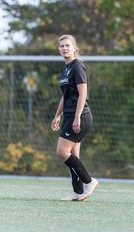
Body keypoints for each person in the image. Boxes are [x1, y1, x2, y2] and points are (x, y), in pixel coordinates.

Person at [51, 34, 99, 201]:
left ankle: (89, 181)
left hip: (80, 116)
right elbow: (65, 96)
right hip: (69, 116)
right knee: (73, 156)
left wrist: (77, 117)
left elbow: (82, 93)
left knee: (62, 152)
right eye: (62, 46)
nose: (64, 48)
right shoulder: (66, 69)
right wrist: (57, 116)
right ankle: (78, 192)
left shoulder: (78, 66)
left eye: (67, 46)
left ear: (74, 48)